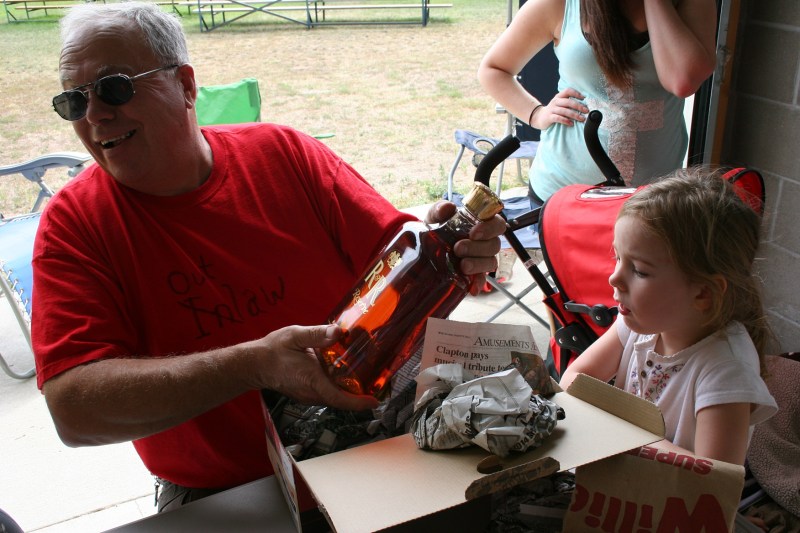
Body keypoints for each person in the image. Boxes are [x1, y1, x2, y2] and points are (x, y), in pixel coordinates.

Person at [33, 1, 507, 511]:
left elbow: (405, 264)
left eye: (114, 87)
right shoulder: (75, 225)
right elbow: (75, 410)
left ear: (186, 85)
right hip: (223, 495)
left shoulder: (283, 155)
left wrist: (458, 250)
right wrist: (251, 366)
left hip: (377, 448)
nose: (97, 114)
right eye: (73, 101)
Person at [559, 168, 777, 465]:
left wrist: (628, 435)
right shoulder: (637, 323)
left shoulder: (725, 371)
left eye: (640, 270)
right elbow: (572, 380)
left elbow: (714, 483)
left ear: (703, 294)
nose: (613, 278)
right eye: (618, 258)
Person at [477, 0, 718, 205]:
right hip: (565, 191)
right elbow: (494, 69)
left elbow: (682, 80)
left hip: (652, 200)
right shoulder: (560, 4)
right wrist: (536, 113)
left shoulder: (691, 3)